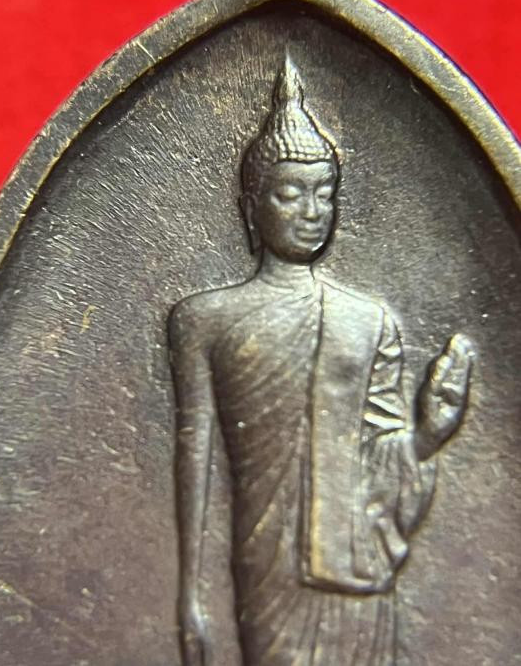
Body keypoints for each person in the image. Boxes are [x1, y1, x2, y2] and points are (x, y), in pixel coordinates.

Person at [169, 56, 473, 666]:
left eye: (324, 195)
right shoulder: (203, 319)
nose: (311, 211)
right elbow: (194, 453)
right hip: (269, 564)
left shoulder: (368, 321)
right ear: (251, 205)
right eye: (290, 194)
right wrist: (189, 594)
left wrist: (426, 437)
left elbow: (382, 455)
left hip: (356, 564)